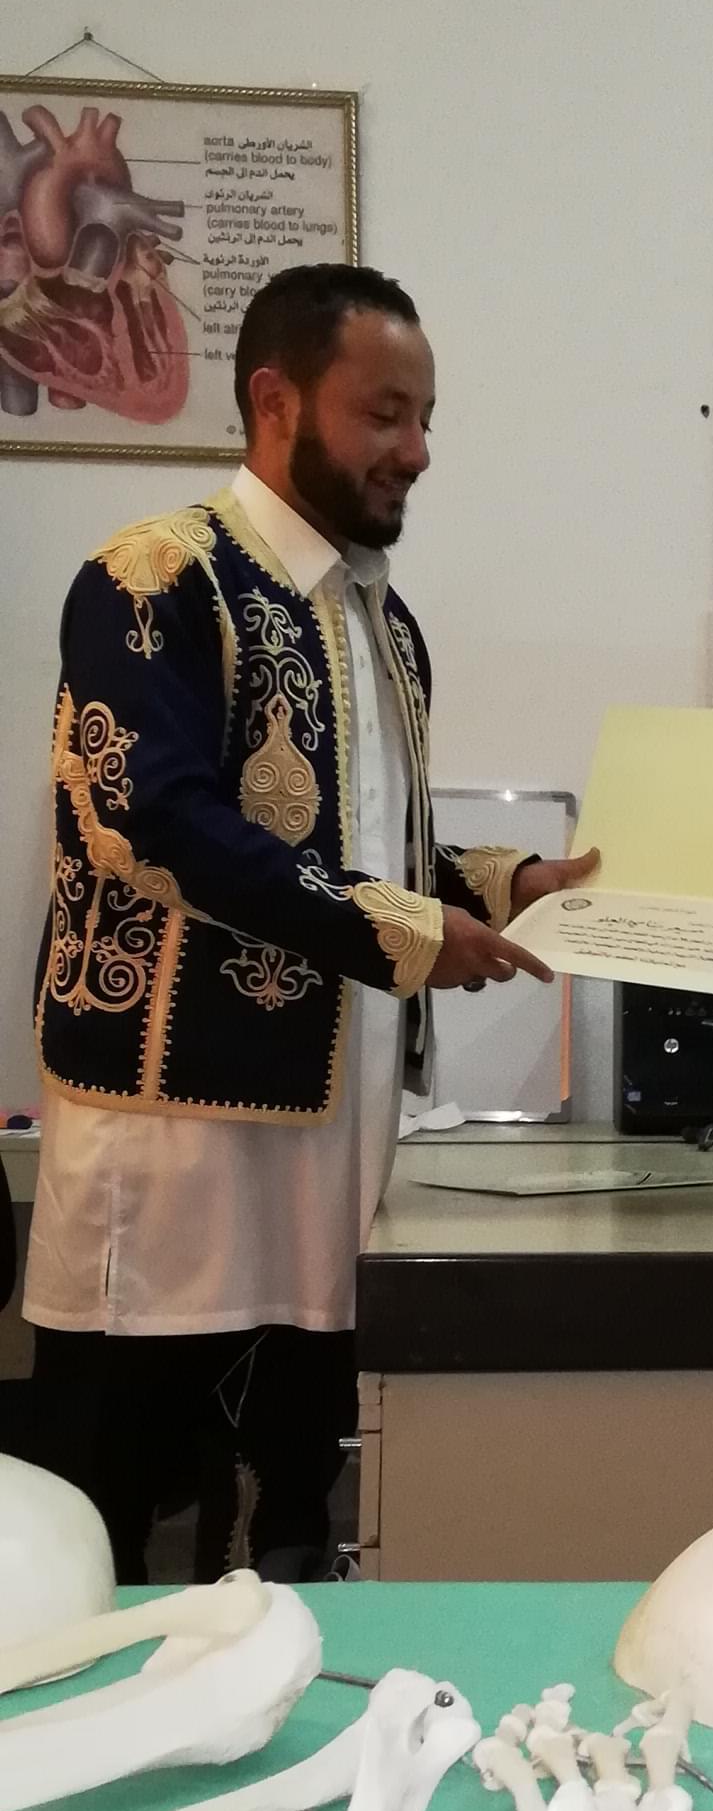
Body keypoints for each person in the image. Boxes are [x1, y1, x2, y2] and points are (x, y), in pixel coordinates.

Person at [24, 261, 594, 1577]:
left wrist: (506, 883)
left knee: (296, 1510)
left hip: (335, 1143)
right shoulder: (154, 578)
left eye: (426, 417)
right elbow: (154, 821)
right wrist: (403, 933)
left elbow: (360, 850)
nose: (419, 450)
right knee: (112, 1524)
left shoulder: (383, 622)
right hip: (176, 1145)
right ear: (276, 401)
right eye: (385, 413)